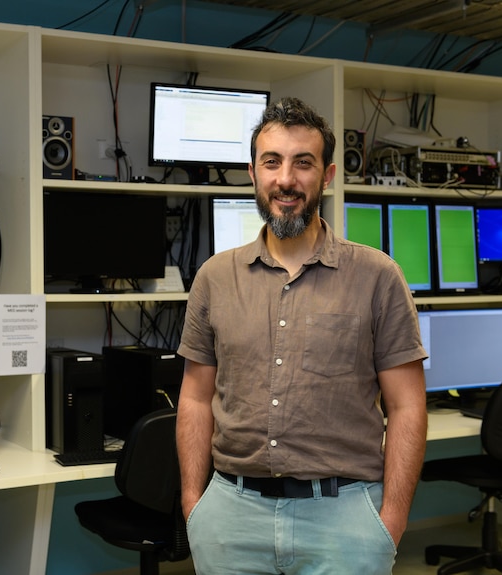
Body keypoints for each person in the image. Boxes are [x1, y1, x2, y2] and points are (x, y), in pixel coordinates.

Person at [176, 96, 428, 575]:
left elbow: (407, 406)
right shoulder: (214, 277)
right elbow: (195, 397)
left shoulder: (378, 276)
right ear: (253, 173)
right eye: (272, 162)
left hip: (345, 520)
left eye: (303, 164)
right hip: (231, 518)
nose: (286, 179)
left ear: (327, 176)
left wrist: (390, 520)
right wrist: (195, 505)